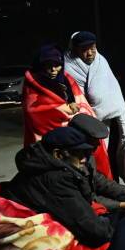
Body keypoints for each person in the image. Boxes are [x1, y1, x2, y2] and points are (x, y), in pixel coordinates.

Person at [1, 125, 125, 248]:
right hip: (26, 241)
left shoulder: (64, 163)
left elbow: (98, 183)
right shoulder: (56, 178)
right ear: (58, 154)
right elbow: (93, 228)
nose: (85, 158)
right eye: (80, 154)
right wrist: (123, 223)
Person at [22, 44, 112, 179]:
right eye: (48, 65)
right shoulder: (32, 84)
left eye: (56, 65)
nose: (53, 70)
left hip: (76, 132)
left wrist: (74, 110)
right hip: (53, 139)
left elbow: (82, 103)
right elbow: (33, 111)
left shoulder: (66, 79)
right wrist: (66, 111)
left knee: (93, 157)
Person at [65, 31, 125, 183]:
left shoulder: (101, 60)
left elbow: (112, 86)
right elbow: (77, 96)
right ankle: (105, 184)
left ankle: (121, 181)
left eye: (93, 47)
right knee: (101, 156)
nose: (90, 53)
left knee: (120, 150)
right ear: (75, 50)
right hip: (96, 120)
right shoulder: (69, 68)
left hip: (117, 115)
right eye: (84, 49)